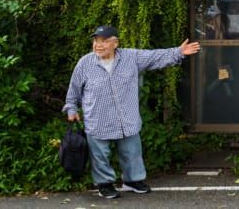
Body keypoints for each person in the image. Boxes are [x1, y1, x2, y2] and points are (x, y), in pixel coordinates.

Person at [64, 25, 201, 199]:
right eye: (96, 41)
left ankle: (133, 180)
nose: (98, 45)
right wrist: (71, 109)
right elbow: (74, 89)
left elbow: (154, 56)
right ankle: (104, 184)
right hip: (98, 120)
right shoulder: (85, 63)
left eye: (104, 41)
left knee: (132, 153)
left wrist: (178, 52)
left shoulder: (130, 57)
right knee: (100, 157)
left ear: (115, 43)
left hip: (126, 119)